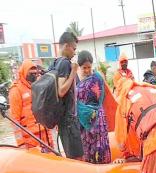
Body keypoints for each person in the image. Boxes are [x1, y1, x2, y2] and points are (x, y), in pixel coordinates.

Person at [76, 50, 111, 164]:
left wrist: (93, 110)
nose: (87, 71)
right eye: (84, 68)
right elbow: (76, 102)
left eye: (89, 67)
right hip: (83, 122)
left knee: (100, 147)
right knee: (87, 149)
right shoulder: (76, 80)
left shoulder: (97, 78)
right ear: (79, 67)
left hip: (98, 120)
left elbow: (102, 96)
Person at [9, 59, 53, 149]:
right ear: (24, 71)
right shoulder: (16, 90)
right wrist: (20, 143)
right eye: (31, 69)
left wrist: (50, 139)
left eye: (35, 69)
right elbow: (14, 120)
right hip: (29, 139)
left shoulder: (38, 87)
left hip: (44, 136)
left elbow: (44, 114)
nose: (34, 72)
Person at [54, 31, 84, 160]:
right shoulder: (65, 63)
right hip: (69, 121)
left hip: (63, 121)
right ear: (66, 46)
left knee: (73, 158)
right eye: (73, 48)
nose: (74, 52)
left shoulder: (55, 62)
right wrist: (74, 71)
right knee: (78, 159)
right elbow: (61, 90)